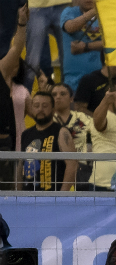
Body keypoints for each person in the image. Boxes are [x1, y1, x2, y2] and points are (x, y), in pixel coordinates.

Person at [18, 91, 76, 191]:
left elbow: (72, 165)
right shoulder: (26, 134)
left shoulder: (61, 132)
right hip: (27, 195)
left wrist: (62, 196)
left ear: (53, 109)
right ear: (31, 108)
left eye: (45, 106)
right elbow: (20, 165)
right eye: (36, 106)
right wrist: (17, 193)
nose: (40, 109)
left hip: (52, 196)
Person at [89, 79, 116, 191]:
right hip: (104, 185)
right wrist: (105, 101)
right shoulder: (106, 116)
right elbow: (98, 122)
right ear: (110, 97)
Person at [1, 7, 28, 187]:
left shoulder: (2, 69)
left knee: (6, 195)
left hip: (2, 143)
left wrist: (22, 23)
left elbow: (17, 48)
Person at [50, 82, 92, 188]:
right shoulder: (47, 122)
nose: (58, 97)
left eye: (62, 94)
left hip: (82, 171)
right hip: (54, 169)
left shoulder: (84, 118)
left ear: (71, 99)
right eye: (54, 95)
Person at [23, 0, 70, 90]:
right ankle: (25, 96)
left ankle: (68, 95)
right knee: (32, 61)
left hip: (62, 5)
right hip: (37, 6)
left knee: (67, 59)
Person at [59, 0, 102, 91]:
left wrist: (86, 46)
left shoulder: (105, 16)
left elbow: (111, 43)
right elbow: (70, 27)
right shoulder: (69, 11)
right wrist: (94, 11)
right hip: (73, 77)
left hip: (99, 76)